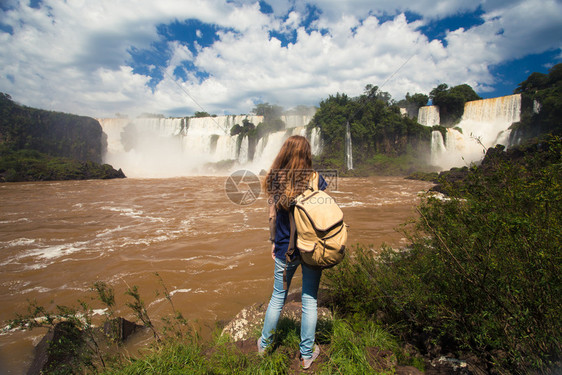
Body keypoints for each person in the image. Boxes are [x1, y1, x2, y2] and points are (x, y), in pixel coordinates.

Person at [257, 135, 327, 369]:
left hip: (285, 249)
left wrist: (272, 242)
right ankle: (307, 355)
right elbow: (322, 213)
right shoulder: (316, 178)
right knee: (309, 299)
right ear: (306, 154)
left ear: (284, 152)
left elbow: (272, 216)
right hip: (311, 249)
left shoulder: (275, 178)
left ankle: (265, 346)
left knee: (278, 297)